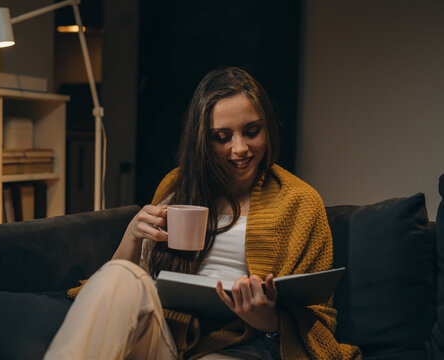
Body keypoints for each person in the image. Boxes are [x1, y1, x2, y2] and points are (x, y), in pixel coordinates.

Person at [44, 67, 361, 360]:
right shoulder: (178, 185)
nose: (240, 149)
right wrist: (131, 237)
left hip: (246, 345)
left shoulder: (299, 202)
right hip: (168, 339)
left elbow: (318, 318)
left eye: (251, 132)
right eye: (222, 138)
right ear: (202, 140)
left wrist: (268, 320)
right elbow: (123, 297)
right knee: (118, 276)